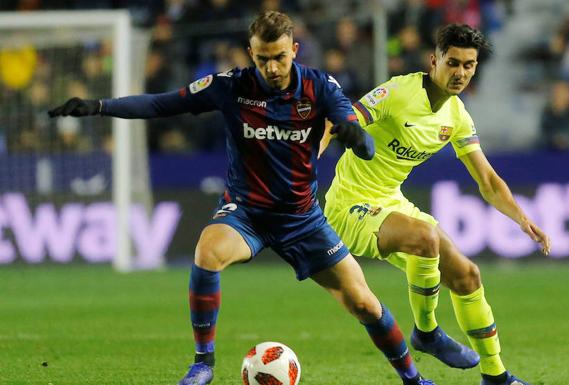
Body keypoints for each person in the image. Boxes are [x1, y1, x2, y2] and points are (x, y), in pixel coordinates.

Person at [48, 11, 437, 385]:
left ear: (294, 50)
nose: (272, 68)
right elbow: (161, 104)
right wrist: (100, 107)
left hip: (302, 219)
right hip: (246, 213)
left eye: (280, 57)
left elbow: (363, 142)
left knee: (365, 304)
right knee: (207, 252)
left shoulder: (319, 87)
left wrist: (358, 138)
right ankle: (203, 363)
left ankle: (413, 378)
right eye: (264, 58)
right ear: (252, 53)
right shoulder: (231, 86)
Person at [323, 24, 551, 385]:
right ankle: (426, 333)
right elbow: (340, 121)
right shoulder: (398, 92)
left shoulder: (457, 116)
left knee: (467, 275)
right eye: (453, 62)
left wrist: (522, 219)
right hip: (350, 204)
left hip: (391, 202)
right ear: (434, 60)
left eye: (469, 65)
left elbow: (488, 181)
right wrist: (303, 169)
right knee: (425, 237)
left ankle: (495, 376)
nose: (460, 72)